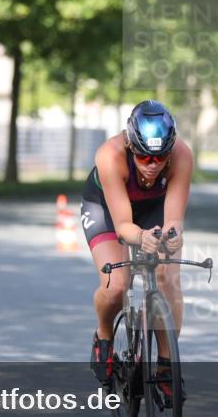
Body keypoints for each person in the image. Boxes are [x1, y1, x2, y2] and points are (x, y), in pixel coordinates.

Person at [81, 100, 193, 389]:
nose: (152, 165)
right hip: (108, 209)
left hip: (153, 206)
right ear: (131, 145)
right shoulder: (110, 155)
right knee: (117, 285)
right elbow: (123, 226)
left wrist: (173, 234)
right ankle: (104, 335)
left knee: (168, 278)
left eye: (160, 157)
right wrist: (142, 237)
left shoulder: (182, 155)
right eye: (144, 157)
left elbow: (174, 219)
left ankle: (166, 366)